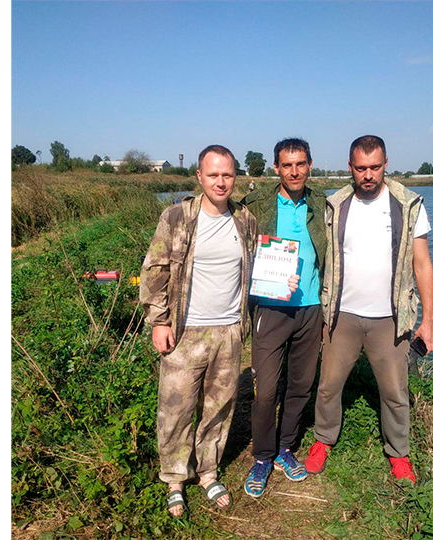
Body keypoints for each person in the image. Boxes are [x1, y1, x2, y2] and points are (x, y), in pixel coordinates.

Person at [306, 135, 433, 483]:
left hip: (391, 318)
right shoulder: (334, 204)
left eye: (375, 167)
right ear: (350, 166)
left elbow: (423, 264)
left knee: (395, 392)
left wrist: (428, 320)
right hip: (342, 315)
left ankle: (399, 453)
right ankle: (323, 439)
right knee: (329, 386)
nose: (368, 175)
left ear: (386, 163)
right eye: (361, 168)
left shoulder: (408, 204)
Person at [141, 145, 261, 517]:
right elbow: (154, 269)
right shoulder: (177, 217)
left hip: (228, 332)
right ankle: (175, 478)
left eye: (227, 175)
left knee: (219, 407)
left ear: (235, 177)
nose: (221, 182)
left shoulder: (246, 220)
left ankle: (208, 472)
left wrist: (280, 281)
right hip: (185, 330)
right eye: (213, 175)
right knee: (175, 408)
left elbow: (256, 270)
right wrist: (159, 321)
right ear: (199, 177)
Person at [239, 138, 327, 497]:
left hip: (310, 309)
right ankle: (262, 456)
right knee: (266, 390)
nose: (294, 171)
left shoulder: (322, 204)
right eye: (287, 165)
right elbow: (240, 255)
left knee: (301, 385)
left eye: (301, 164)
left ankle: (285, 449)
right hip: (271, 309)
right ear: (276, 168)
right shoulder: (255, 206)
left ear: (309, 165)